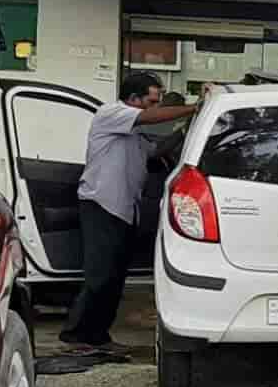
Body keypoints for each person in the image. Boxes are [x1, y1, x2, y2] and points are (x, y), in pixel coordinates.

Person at [63, 72, 205, 353]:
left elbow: (154, 152)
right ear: (133, 99)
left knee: (115, 278)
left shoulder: (134, 130)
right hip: (102, 205)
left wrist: (183, 132)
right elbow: (150, 119)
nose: (157, 106)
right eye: (152, 101)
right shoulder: (111, 113)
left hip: (124, 209)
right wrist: (196, 107)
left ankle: (98, 337)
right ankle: (77, 336)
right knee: (100, 275)